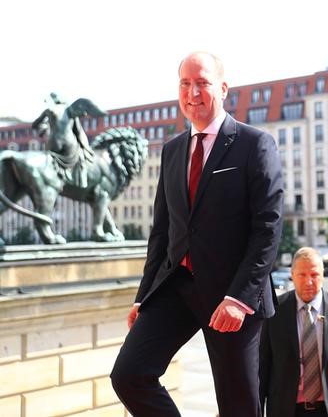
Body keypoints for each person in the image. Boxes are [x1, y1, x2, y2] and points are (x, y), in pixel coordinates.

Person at [110, 51, 283, 417]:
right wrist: (145, 297)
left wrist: (240, 298)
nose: (192, 92)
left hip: (231, 295)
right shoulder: (172, 150)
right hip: (177, 286)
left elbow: (267, 227)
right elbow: (162, 232)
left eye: (202, 82)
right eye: (185, 83)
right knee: (129, 375)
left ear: (222, 88)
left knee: (239, 408)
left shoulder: (254, 144)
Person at [260, 247, 328, 417]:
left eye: (314, 275)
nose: (308, 281)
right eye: (302, 275)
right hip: (286, 409)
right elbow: (263, 367)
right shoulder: (274, 311)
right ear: (292, 274)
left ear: (323, 274)